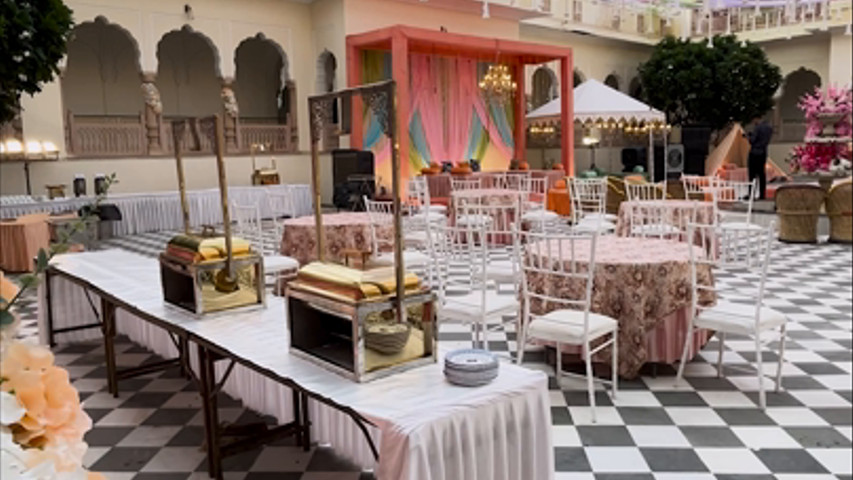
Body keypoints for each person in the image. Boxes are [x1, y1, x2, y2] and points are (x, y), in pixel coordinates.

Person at [745, 116, 773, 199]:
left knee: (752, 174)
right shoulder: (769, 127)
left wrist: (748, 137)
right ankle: (762, 195)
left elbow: (752, 140)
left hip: (755, 153)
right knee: (761, 174)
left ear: (756, 118)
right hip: (763, 152)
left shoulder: (758, 128)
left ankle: (751, 194)